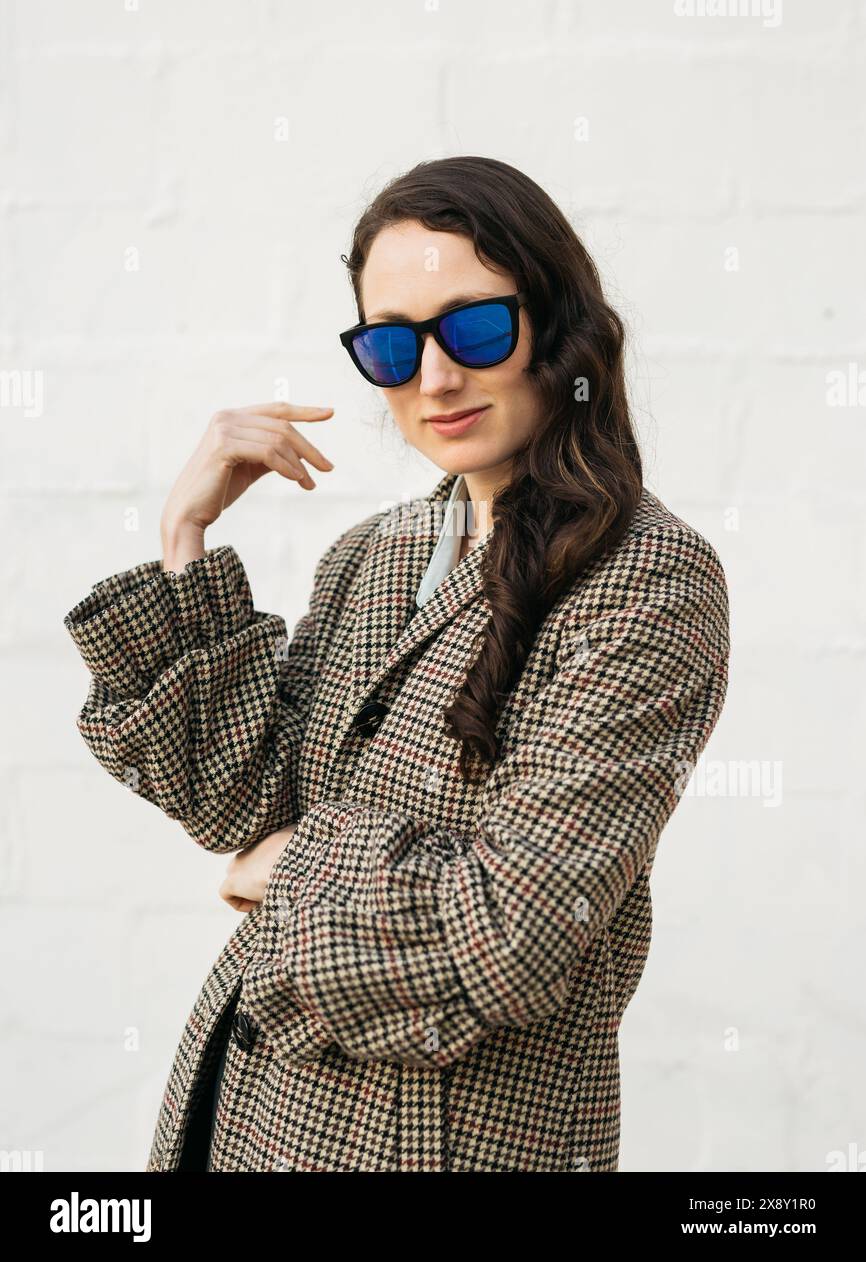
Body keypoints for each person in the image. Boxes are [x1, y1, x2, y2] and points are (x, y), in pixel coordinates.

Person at [63, 155, 730, 1172]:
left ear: (553, 326)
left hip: (436, 1143)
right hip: (253, 1114)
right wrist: (184, 539)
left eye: (471, 328)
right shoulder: (372, 555)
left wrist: (291, 868)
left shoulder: (646, 577)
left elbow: (514, 928)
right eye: (390, 344)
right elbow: (236, 799)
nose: (433, 379)